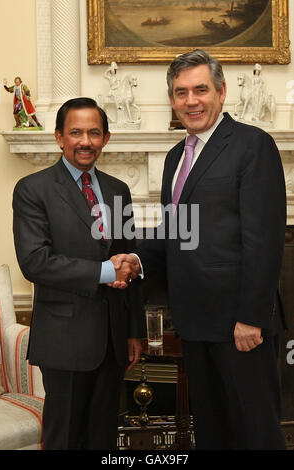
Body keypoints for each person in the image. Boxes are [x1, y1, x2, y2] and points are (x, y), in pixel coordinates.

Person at [110, 50, 287, 450]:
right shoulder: (176, 157)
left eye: (201, 90)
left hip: (241, 327)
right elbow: (177, 231)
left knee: (255, 434)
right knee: (213, 433)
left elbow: (265, 240)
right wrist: (136, 259)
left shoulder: (252, 145)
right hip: (195, 323)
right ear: (172, 100)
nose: (192, 101)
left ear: (222, 92)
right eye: (181, 92)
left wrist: (251, 318)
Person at [12, 97, 145, 450]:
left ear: (106, 138)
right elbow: (35, 261)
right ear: (59, 137)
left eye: (94, 133)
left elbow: (127, 257)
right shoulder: (32, 189)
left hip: (114, 341)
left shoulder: (118, 190)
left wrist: (134, 331)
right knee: (65, 438)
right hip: (64, 340)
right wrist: (105, 271)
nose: (85, 141)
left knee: (103, 438)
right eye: (76, 132)